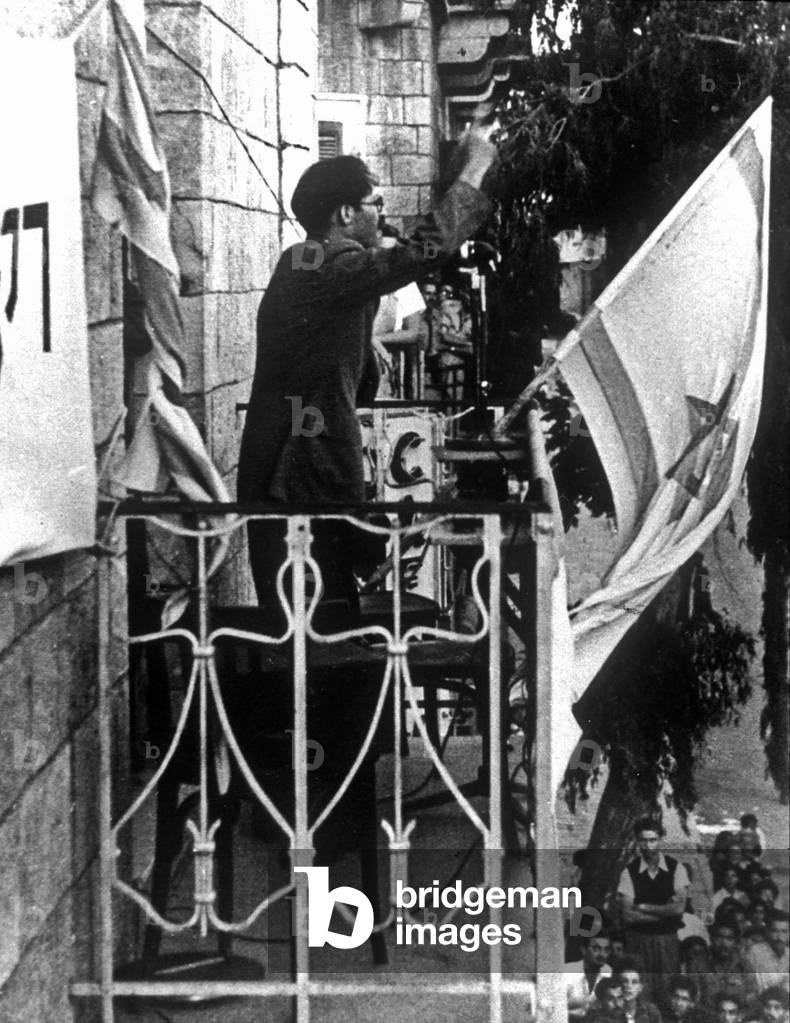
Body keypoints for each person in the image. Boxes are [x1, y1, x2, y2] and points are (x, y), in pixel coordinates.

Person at [236, 130, 496, 856]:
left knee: (322, 646)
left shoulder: (313, 266)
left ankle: (317, 808)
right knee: (321, 654)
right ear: (346, 212)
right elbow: (419, 252)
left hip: (303, 484)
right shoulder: (332, 264)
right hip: (299, 488)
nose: (384, 212)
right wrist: (472, 172)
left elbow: (326, 357)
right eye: (377, 203)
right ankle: (318, 821)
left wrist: (366, 355)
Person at [617, 818, 690, 997]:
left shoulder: (676, 868)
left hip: (667, 940)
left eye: (652, 840)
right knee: (641, 989)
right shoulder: (629, 872)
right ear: (637, 840)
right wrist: (666, 912)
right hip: (638, 940)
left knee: (667, 989)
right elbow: (628, 915)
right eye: (643, 840)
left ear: (661, 839)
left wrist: (644, 907)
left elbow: (679, 909)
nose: (648, 845)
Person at [565, 931, 613, 1019]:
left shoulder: (607, 971)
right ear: (583, 950)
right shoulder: (567, 973)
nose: (602, 954)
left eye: (606, 950)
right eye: (596, 949)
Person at [744, 911, 789, 996]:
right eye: (774, 931)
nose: (779, 936)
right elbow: (750, 986)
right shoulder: (755, 952)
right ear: (767, 931)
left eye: (784, 931)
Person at [616, 957, 664, 1023]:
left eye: (634, 982)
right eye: (625, 981)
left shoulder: (651, 1012)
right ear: (618, 984)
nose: (629, 986)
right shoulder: (611, 1012)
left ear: (640, 987)